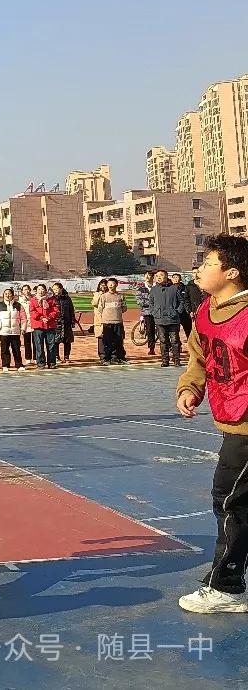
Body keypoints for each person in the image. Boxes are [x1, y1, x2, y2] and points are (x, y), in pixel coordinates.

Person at [175, 234, 248, 614]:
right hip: (230, 419)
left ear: (231, 273)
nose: (199, 269)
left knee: (230, 501)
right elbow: (199, 357)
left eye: (208, 264)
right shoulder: (207, 310)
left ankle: (227, 586)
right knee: (235, 501)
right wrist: (191, 388)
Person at [150, 269, 182, 367]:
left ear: (166, 276)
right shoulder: (154, 289)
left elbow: (181, 301)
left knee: (175, 340)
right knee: (163, 341)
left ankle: (176, 360)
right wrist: (154, 312)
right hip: (159, 319)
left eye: (161, 275)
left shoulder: (174, 288)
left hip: (173, 319)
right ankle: (165, 360)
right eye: (157, 276)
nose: (159, 277)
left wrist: (177, 311)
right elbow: (151, 303)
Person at [29, 284, 61, 369]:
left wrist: (49, 318)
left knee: (51, 345)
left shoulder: (51, 299)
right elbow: (32, 311)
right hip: (38, 325)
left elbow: (56, 311)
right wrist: (41, 318)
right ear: (36, 291)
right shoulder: (33, 300)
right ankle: (41, 363)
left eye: (42, 289)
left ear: (46, 291)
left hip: (50, 325)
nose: (41, 291)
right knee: (39, 345)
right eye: (39, 289)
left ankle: (52, 362)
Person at [96, 278, 127, 364]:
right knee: (107, 341)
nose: (110, 285)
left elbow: (124, 308)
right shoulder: (103, 296)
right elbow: (100, 309)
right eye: (109, 284)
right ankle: (106, 358)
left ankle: (117, 357)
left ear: (116, 285)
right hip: (107, 322)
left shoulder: (121, 296)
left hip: (118, 322)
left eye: (112, 283)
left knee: (118, 340)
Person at [0, 288, 25, 371]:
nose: (8, 295)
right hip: (3, 331)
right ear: (3, 295)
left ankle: (19, 365)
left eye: (9, 293)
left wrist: (23, 328)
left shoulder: (18, 305)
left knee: (16, 349)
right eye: (6, 294)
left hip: (15, 331)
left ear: (13, 295)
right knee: (4, 349)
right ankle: (5, 365)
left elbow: (23, 318)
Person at [52, 282, 75, 363]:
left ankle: (66, 357)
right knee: (55, 341)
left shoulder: (67, 299)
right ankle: (56, 356)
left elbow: (71, 310)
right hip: (56, 323)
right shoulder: (52, 299)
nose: (55, 290)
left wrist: (72, 321)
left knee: (67, 341)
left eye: (57, 288)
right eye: (54, 289)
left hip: (66, 322)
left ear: (61, 289)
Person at [138, 271, 156, 355]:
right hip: (147, 313)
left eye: (150, 275)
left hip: (158, 312)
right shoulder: (141, 289)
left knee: (162, 330)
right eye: (146, 275)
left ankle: (167, 347)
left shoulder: (157, 287)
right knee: (150, 331)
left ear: (153, 277)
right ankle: (151, 348)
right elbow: (139, 301)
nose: (148, 277)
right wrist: (151, 303)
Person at [171, 272, 193, 341]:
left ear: (180, 279)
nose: (175, 279)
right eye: (174, 278)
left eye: (177, 277)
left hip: (184, 313)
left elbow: (186, 300)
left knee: (188, 329)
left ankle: (190, 342)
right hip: (174, 312)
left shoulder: (185, 288)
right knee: (174, 331)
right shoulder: (169, 289)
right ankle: (177, 344)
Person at [92, 279, 109, 360]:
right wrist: (100, 295)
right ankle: (102, 354)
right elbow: (94, 303)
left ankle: (109, 354)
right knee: (101, 337)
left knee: (109, 337)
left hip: (108, 318)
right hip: (99, 319)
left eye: (105, 285)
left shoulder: (109, 294)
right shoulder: (97, 294)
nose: (103, 286)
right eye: (101, 285)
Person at [19, 284, 35, 365]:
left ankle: (36, 357)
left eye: (28, 289)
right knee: (27, 341)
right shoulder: (20, 301)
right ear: (22, 291)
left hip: (34, 322)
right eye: (25, 289)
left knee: (36, 341)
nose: (27, 291)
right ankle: (28, 358)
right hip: (25, 323)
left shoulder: (34, 299)